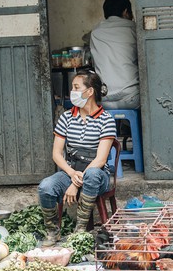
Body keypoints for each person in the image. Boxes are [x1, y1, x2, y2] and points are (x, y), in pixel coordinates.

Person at [38, 70, 117, 246]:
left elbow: (100, 160)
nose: (72, 91)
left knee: (92, 174)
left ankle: (80, 230)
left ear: (90, 92)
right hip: (71, 170)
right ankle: (52, 231)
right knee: (46, 187)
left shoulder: (106, 120)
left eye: (76, 87)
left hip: (97, 175)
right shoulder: (66, 117)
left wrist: (75, 183)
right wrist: (71, 173)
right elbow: (56, 154)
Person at [90, 0, 139, 109]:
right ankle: (129, 126)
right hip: (132, 97)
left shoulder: (95, 32)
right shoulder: (134, 29)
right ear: (126, 12)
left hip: (103, 98)